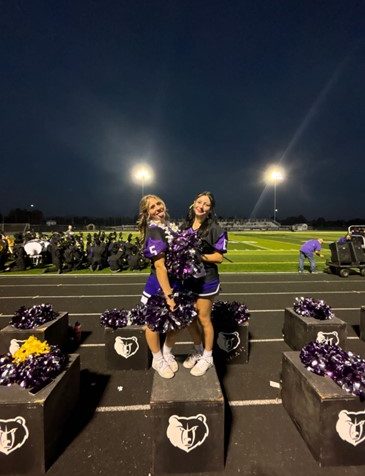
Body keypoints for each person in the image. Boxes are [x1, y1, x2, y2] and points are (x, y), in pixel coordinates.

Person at [181, 191, 228, 376]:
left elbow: (219, 257)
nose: (201, 206)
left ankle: (208, 357)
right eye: (199, 202)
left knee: (203, 318)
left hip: (206, 279)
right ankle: (199, 349)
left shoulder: (215, 228)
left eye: (206, 204)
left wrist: (198, 256)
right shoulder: (184, 226)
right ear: (193, 203)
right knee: (189, 317)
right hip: (187, 280)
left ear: (210, 209)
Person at [137, 194, 180, 379]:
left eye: (159, 203)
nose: (157, 207)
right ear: (147, 213)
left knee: (175, 322)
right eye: (152, 207)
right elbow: (160, 266)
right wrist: (169, 296)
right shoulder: (154, 231)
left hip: (176, 282)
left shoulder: (168, 226)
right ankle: (157, 359)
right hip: (159, 285)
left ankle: (167, 352)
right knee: (153, 325)